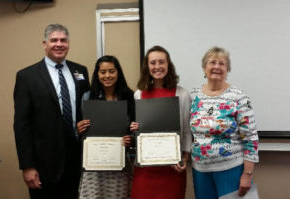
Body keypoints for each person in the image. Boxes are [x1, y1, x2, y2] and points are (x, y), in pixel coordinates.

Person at [13, 24, 90, 199]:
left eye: (63, 40)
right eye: (54, 40)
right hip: (43, 164)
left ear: (69, 43)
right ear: (44, 43)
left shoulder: (81, 71)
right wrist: (28, 166)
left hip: (76, 161)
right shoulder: (27, 76)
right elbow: (21, 125)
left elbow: (88, 111)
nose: (59, 44)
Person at [190, 46, 259, 199]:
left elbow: (251, 138)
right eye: (212, 62)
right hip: (200, 170)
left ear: (228, 69)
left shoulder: (239, 97)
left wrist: (247, 174)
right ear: (204, 67)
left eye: (222, 63)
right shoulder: (194, 96)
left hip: (231, 170)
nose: (216, 67)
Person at [130, 45, 191, 199]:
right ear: (147, 66)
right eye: (153, 63)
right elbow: (136, 132)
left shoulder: (182, 94)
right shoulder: (138, 94)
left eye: (161, 62)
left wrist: (184, 159)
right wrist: (134, 128)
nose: (157, 67)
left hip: (172, 169)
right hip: (145, 170)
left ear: (168, 65)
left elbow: (186, 131)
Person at [77, 55, 135, 199]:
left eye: (111, 71)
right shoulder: (87, 97)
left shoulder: (129, 97)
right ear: (97, 74)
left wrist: (131, 138)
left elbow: (135, 128)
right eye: (103, 72)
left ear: (118, 73)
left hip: (120, 163)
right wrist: (79, 129)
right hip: (93, 165)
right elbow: (80, 133)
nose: (107, 75)